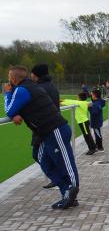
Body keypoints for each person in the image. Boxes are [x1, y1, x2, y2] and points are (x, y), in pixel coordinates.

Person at [4, 65, 79, 209]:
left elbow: (9, 109)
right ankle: (67, 192)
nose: (8, 81)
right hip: (45, 132)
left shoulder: (22, 89)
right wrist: (15, 113)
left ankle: (72, 191)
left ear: (13, 79)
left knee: (65, 161)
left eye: (9, 78)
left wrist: (8, 94)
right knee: (42, 160)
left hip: (55, 129)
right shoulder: (28, 87)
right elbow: (16, 109)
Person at [30, 63, 61, 190]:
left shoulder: (39, 88)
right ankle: (57, 179)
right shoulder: (51, 86)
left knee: (38, 154)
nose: (30, 75)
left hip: (44, 127)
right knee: (46, 155)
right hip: (50, 125)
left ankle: (59, 179)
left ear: (36, 74)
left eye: (32, 73)